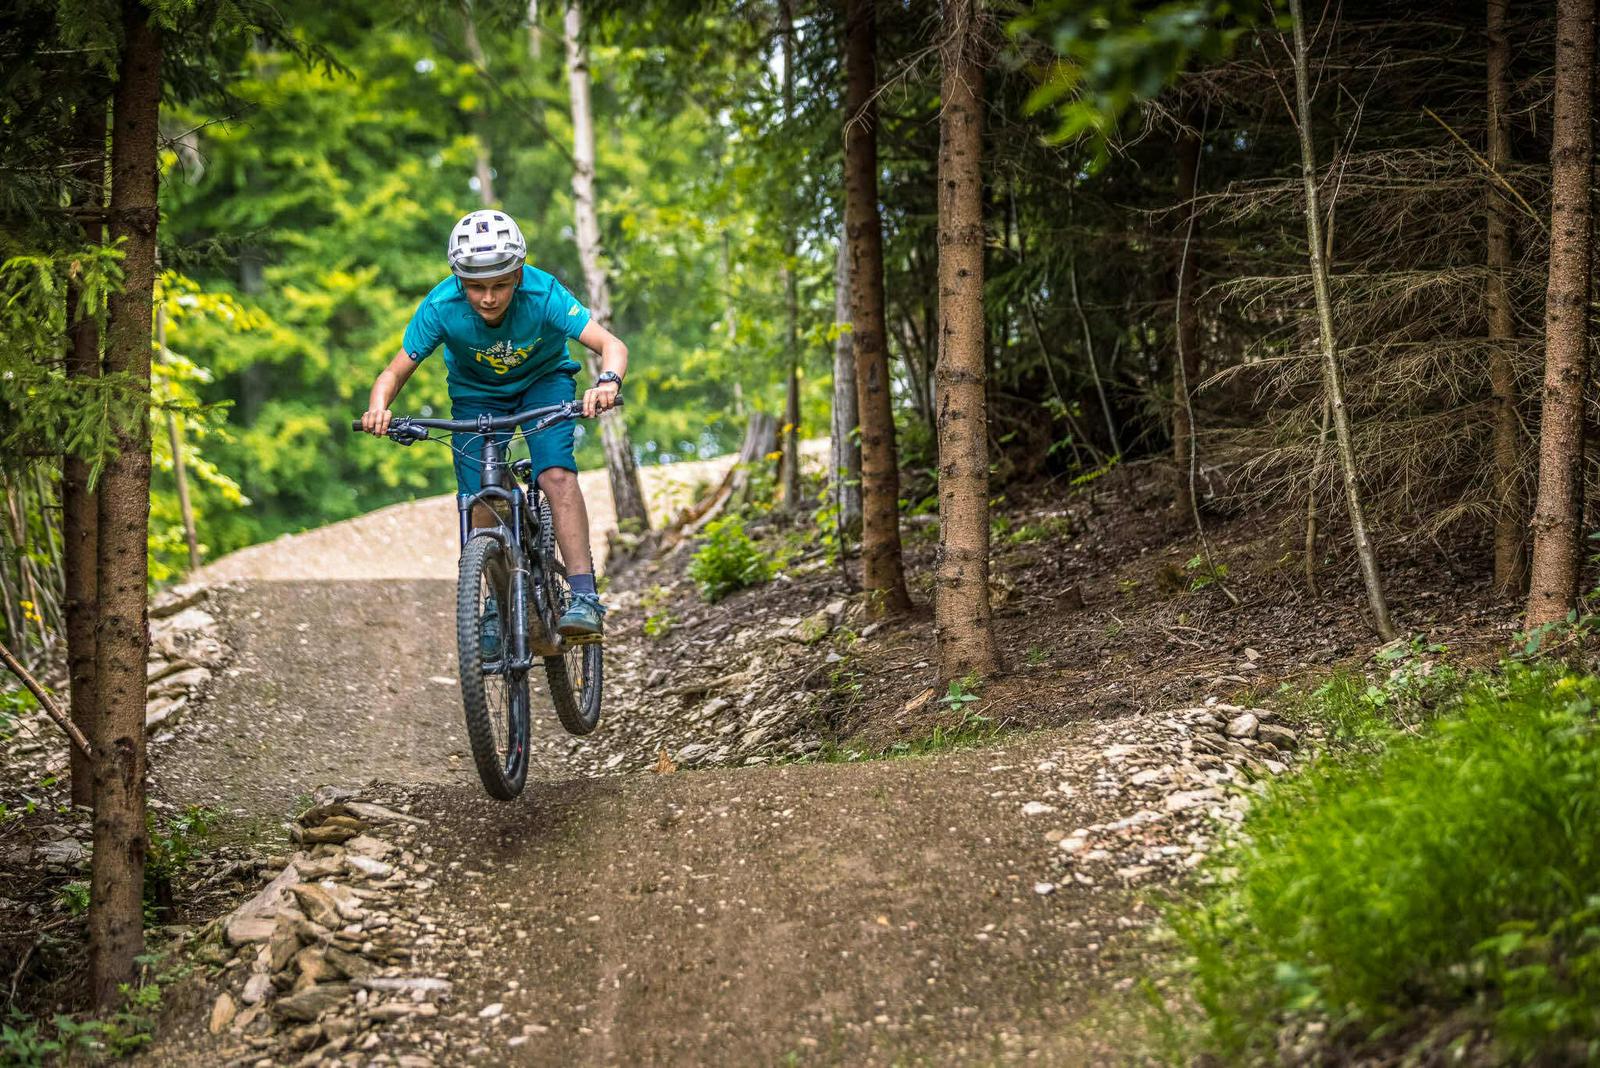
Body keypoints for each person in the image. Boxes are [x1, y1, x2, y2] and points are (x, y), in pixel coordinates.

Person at [360, 209, 625, 646]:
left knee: (555, 474)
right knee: (480, 498)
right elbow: (393, 373)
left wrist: (608, 382)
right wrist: (378, 408)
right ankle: (495, 607)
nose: (487, 298)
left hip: (544, 385)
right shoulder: (441, 306)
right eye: (476, 286)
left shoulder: (543, 293)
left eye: (500, 284)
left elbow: (611, 345)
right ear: (459, 280)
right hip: (476, 395)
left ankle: (584, 598)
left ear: (518, 274)